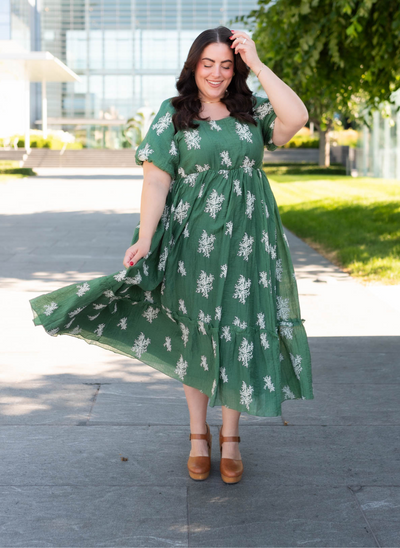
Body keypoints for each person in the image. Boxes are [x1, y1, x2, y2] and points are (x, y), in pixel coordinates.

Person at [29, 25, 314, 485]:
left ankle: (232, 438)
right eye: (208, 64)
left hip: (247, 242)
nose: (217, 73)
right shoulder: (174, 114)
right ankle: (198, 434)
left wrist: (259, 65)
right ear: (193, 65)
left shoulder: (250, 112)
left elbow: (296, 117)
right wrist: (145, 237)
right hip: (194, 240)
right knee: (200, 329)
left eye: (227, 64)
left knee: (238, 328)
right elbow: (156, 179)